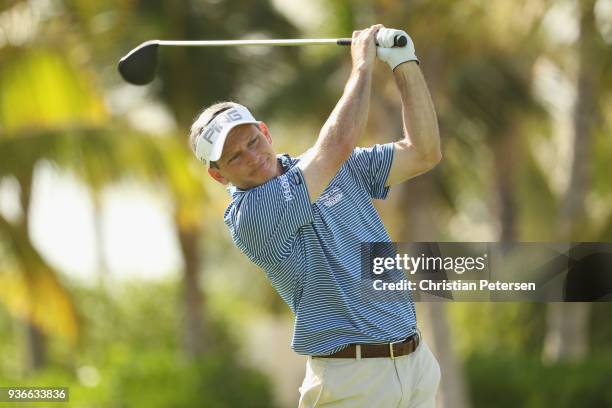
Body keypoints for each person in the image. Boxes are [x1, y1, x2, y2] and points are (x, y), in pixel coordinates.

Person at [189, 24, 442, 408]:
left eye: (252, 141)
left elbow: (424, 152)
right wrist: (362, 66)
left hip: (416, 364)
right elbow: (337, 145)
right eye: (235, 156)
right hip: (352, 381)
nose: (252, 156)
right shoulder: (249, 216)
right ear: (217, 174)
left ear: (265, 131)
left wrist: (404, 61)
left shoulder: (334, 167)